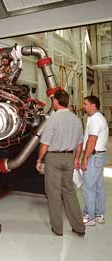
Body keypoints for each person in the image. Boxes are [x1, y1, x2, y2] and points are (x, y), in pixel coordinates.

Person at [35, 89, 85, 236]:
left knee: (54, 193)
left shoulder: (53, 119)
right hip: (69, 158)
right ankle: (79, 227)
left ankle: (57, 228)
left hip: (54, 159)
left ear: (55, 101)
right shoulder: (76, 119)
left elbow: (44, 144)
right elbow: (80, 143)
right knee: (69, 191)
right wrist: (76, 158)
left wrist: (39, 160)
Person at [81, 95, 109, 226]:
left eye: (85, 104)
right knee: (98, 187)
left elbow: (92, 140)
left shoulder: (95, 120)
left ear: (93, 105)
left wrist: (85, 158)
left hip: (94, 156)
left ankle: (89, 216)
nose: (83, 106)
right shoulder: (99, 118)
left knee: (87, 186)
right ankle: (99, 215)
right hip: (100, 155)